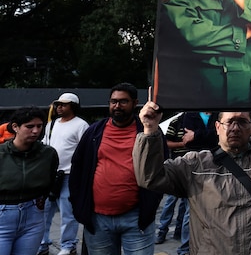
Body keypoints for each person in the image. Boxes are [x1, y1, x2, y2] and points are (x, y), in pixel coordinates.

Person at [133, 76, 251, 255]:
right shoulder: (194, 165)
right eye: (229, 122)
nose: (235, 128)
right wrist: (149, 131)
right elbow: (150, 177)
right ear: (218, 127)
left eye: (242, 122)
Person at [69, 83, 164, 255]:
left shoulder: (148, 131)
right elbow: (78, 167)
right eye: (113, 101)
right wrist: (79, 205)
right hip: (98, 220)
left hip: (137, 219)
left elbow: (160, 167)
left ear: (135, 103)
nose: (117, 106)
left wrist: (151, 205)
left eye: (123, 101)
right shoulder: (94, 132)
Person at [0, 107, 59, 255]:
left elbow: (50, 179)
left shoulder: (48, 154)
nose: (35, 131)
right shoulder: (2, 154)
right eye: (29, 126)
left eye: (39, 126)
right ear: (15, 127)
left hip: (33, 216)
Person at [38, 93, 89, 255]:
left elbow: (85, 151)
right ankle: (43, 243)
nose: (59, 107)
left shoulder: (81, 125)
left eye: (64, 105)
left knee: (68, 213)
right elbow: (45, 146)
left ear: (73, 106)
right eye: (58, 104)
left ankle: (68, 245)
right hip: (51, 175)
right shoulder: (51, 124)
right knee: (44, 211)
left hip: (69, 175)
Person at [154, 114, 188, 246]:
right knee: (170, 201)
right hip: (176, 168)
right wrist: (184, 144)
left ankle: (178, 231)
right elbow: (167, 143)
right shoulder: (176, 122)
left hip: (191, 169)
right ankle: (162, 230)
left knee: (186, 204)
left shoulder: (197, 120)